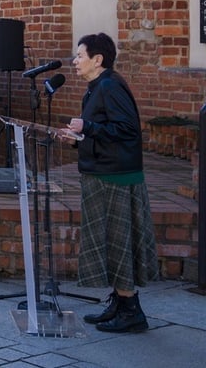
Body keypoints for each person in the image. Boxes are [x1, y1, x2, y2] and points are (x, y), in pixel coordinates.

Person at [60, 33, 159, 334]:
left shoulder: (110, 86)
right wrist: (79, 139)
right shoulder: (96, 88)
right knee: (109, 242)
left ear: (97, 59)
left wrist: (86, 126)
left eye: (79, 55)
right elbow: (104, 133)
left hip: (115, 178)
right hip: (102, 174)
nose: (75, 62)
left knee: (118, 242)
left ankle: (131, 311)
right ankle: (119, 301)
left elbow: (127, 130)